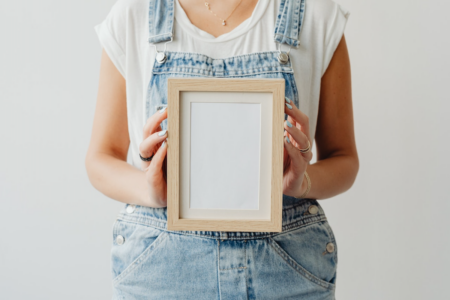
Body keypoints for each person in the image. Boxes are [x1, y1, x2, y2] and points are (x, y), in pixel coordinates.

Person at [85, 0, 359, 298]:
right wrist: (150, 190)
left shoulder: (314, 15)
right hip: (162, 271)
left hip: (285, 269)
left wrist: (302, 182)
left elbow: (343, 159)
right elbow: (101, 158)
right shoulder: (134, 13)